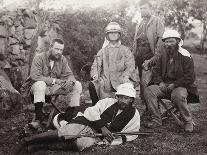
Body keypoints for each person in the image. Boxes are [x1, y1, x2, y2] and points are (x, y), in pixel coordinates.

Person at [19, 83, 140, 153]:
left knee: (80, 143)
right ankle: (28, 140)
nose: (122, 101)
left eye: (126, 98)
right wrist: (102, 127)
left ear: (132, 100)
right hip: (87, 123)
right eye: (120, 97)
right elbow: (91, 111)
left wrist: (117, 138)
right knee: (68, 132)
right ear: (117, 97)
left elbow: (132, 133)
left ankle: (39, 146)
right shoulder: (108, 102)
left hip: (99, 137)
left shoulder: (134, 115)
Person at [144, 29, 199, 132]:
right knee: (149, 91)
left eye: (171, 41)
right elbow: (155, 71)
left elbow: (190, 77)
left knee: (178, 95)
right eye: (166, 41)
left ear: (178, 41)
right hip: (164, 86)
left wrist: (175, 85)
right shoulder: (162, 55)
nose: (168, 44)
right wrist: (160, 82)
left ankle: (188, 121)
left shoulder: (186, 56)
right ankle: (157, 120)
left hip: (180, 86)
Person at [21, 38, 82, 124]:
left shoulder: (62, 59)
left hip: (52, 88)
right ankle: (38, 118)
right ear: (50, 47)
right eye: (57, 49)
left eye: (61, 50)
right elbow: (35, 76)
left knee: (77, 84)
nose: (59, 52)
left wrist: (71, 81)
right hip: (36, 87)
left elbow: (69, 74)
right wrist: (55, 81)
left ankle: (69, 115)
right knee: (40, 84)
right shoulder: (39, 57)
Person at [89, 22, 136, 105]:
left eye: (116, 33)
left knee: (129, 87)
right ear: (107, 35)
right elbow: (95, 65)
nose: (113, 35)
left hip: (121, 81)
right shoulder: (102, 51)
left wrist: (126, 76)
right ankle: (97, 109)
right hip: (105, 81)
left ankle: (125, 112)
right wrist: (95, 75)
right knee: (93, 85)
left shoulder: (126, 50)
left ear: (119, 35)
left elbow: (130, 66)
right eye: (111, 33)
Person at [133, 0, 164, 105]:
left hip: (150, 54)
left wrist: (156, 56)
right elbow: (135, 40)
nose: (142, 10)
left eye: (145, 8)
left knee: (149, 81)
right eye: (141, 8)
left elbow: (161, 39)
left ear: (151, 9)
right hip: (139, 54)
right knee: (142, 80)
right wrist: (134, 54)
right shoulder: (139, 22)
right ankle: (146, 105)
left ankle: (154, 107)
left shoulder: (157, 21)